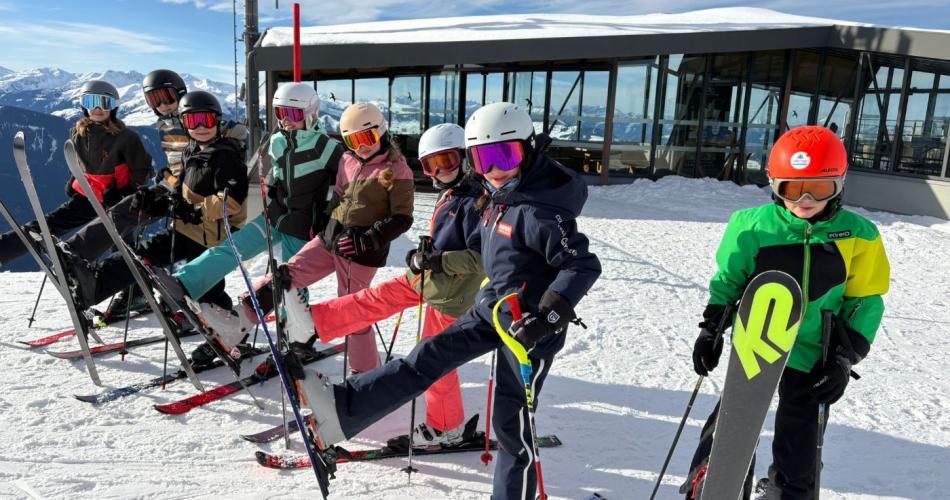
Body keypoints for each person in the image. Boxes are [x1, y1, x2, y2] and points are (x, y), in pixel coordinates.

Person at [295, 102, 601, 500]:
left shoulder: (539, 211)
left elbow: (582, 264)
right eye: (484, 158)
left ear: (528, 150)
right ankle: (343, 408)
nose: (495, 170)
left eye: (506, 155)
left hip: (528, 330)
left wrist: (547, 316)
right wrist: (431, 253)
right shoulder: (497, 196)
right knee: (426, 357)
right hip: (492, 307)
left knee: (511, 425)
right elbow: (479, 242)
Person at [231, 123, 484, 446]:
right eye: (432, 165)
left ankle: (447, 427)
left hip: (451, 293)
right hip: (430, 278)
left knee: (434, 360)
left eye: (447, 161)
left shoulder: (478, 201)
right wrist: (425, 252)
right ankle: (310, 324)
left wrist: (438, 260)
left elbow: (480, 259)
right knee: (371, 300)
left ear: (466, 158)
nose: (440, 171)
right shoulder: (455, 193)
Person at [682, 126, 891, 499]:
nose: (805, 199)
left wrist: (844, 358)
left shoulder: (859, 234)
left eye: (819, 189)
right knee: (731, 426)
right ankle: (709, 484)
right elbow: (730, 280)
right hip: (757, 347)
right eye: (792, 188)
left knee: (801, 438)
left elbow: (865, 301)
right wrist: (711, 328)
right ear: (773, 183)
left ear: (839, 184)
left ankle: (789, 489)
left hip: (813, 354)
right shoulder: (751, 227)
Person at [199, 102, 414, 375]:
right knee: (283, 277)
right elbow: (337, 197)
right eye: (352, 140)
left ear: (381, 133)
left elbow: (402, 218)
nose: (361, 147)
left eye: (367, 138)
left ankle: (366, 374)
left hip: (361, 252)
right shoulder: (348, 160)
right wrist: (322, 221)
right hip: (329, 240)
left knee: (354, 310)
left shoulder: (397, 170)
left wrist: (371, 237)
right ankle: (237, 325)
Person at [64, 91, 249, 354]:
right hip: (185, 229)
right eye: (192, 121)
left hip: (212, 237)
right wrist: (155, 200)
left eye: (206, 120)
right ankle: (93, 286)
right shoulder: (190, 151)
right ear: (184, 124)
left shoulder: (227, 156)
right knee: (140, 257)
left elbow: (230, 202)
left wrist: (193, 210)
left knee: (207, 291)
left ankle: (230, 329)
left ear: (217, 121)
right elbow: (180, 189)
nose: (200, 127)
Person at [172, 82, 342, 365]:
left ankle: (294, 336)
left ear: (311, 114)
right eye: (280, 113)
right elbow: (276, 174)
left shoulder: (326, 147)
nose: (286, 120)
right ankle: (185, 284)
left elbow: (347, 183)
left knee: (291, 285)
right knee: (231, 248)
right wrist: (273, 188)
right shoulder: (277, 140)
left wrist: (332, 214)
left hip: (303, 228)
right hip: (275, 217)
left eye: (294, 114)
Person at [0, 80, 151, 267]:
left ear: (113, 108)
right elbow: (80, 164)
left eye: (105, 103)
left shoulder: (127, 138)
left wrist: (125, 193)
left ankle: (133, 291)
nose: (97, 108)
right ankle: (4, 249)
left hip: (118, 201)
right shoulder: (78, 133)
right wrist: (74, 180)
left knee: (122, 246)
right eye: (90, 102)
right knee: (47, 225)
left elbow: (143, 171)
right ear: (83, 105)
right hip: (88, 196)